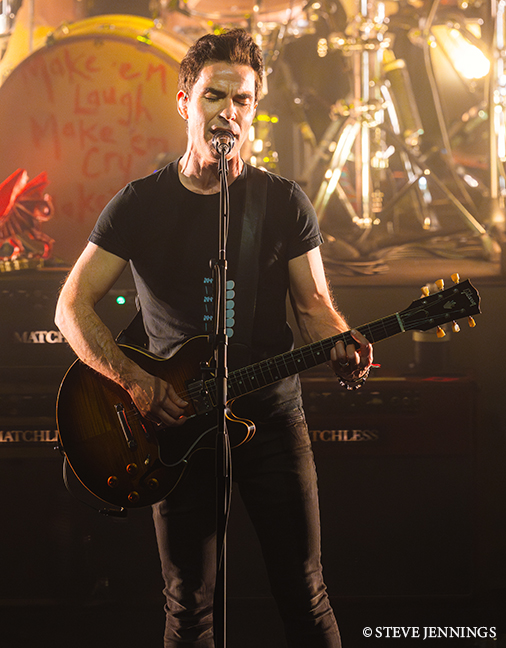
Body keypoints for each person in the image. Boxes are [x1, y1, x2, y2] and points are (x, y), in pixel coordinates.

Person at [55, 28, 373, 648]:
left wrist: (342, 341)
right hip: (174, 426)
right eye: (214, 96)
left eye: (242, 100)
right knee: (188, 607)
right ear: (185, 102)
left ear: (254, 110)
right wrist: (135, 382)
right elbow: (71, 307)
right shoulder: (138, 204)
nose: (229, 111)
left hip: (271, 418)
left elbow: (314, 308)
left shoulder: (283, 202)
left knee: (305, 592)